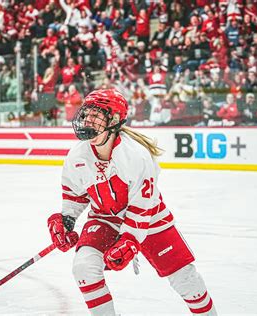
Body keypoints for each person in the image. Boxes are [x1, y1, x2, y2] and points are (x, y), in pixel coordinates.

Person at [47, 89, 217, 316]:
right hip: (105, 218)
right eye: (86, 114)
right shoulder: (77, 156)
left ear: (114, 120)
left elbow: (141, 207)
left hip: (150, 219)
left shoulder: (135, 155)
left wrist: (129, 240)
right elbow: (74, 195)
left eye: (96, 115)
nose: (87, 120)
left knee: (186, 279)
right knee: (83, 266)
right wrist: (66, 220)